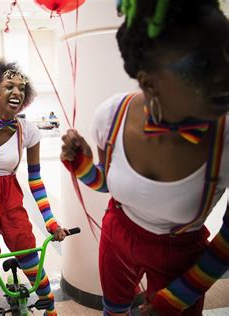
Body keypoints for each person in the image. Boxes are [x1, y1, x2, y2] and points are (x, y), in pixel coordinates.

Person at [60, 1, 228, 315]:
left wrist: (173, 300)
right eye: (202, 64)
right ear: (149, 81)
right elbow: (108, 185)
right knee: (115, 310)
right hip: (117, 237)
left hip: (182, 258)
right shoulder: (111, 116)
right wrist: (82, 164)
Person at [0, 57, 68, 315]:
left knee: (31, 257)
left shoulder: (29, 131)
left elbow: (36, 180)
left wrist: (50, 221)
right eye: (9, 86)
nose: (16, 91)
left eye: (21, 87)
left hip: (12, 197)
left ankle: (50, 311)